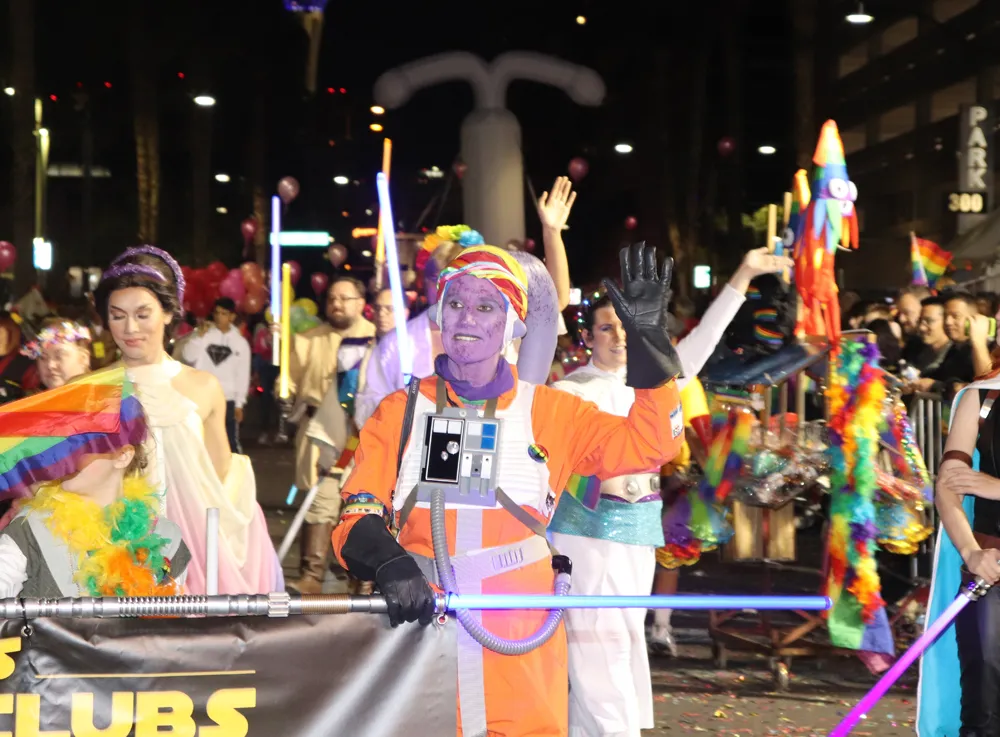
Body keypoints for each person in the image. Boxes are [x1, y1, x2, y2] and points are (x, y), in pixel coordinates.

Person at [331, 243, 686, 737]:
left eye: (485, 306)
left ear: (514, 325)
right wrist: (388, 562)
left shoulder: (553, 412)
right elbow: (355, 518)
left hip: (521, 639)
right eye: (456, 303)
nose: (466, 318)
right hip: (425, 633)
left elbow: (654, 443)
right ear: (438, 316)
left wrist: (650, 343)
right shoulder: (400, 411)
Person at [547, 246, 792, 737]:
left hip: (639, 531)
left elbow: (705, 338)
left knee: (619, 643)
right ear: (587, 337)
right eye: (606, 328)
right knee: (599, 642)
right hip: (588, 532)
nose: (620, 335)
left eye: (626, 325)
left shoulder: (656, 384)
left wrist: (743, 274)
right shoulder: (570, 392)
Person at [94, 245, 282, 595]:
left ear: (168, 313)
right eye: (117, 316)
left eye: (143, 314)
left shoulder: (203, 386)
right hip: (113, 542)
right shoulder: (90, 389)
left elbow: (221, 473)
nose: (130, 328)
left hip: (195, 546)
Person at [0, 366, 190, 597]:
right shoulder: (30, 529)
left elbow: (171, 618)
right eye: (61, 441)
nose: (65, 456)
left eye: (83, 444)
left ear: (122, 456)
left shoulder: (164, 537)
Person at [920, 347, 1000, 735]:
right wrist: (971, 552)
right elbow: (948, 486)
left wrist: (996, 487)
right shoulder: (982, 396)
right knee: (983, 699)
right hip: (989, 565)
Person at [284, 276, 375, 593]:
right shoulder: (307, 340)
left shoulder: (378, 340)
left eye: (344, 298)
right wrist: (284, 394)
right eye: (332, 298)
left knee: (361, 506)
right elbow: (289, 384)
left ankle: (361, 580)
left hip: (362, 437)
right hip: (319, 434)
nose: (336, 304)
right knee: (319, 502)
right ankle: (311, 575)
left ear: (361, 304)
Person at [181, 298, 252, 453]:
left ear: (232, 316)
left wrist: (239, 403)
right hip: (203, 396)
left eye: (224, 314)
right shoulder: (205, 335)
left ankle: (231, 468)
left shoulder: (240, 343)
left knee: (229, 442)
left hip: (228, 399)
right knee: (201, 440)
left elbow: (242, 374)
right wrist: (199, 337)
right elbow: (188, 356)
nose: (219, 317)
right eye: (217, 313)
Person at [22, 320, 92, 390]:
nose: (50, 365)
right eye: (43, 358)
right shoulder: (36, 397)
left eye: (59, 356)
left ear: (83, 358)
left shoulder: (97, 393)